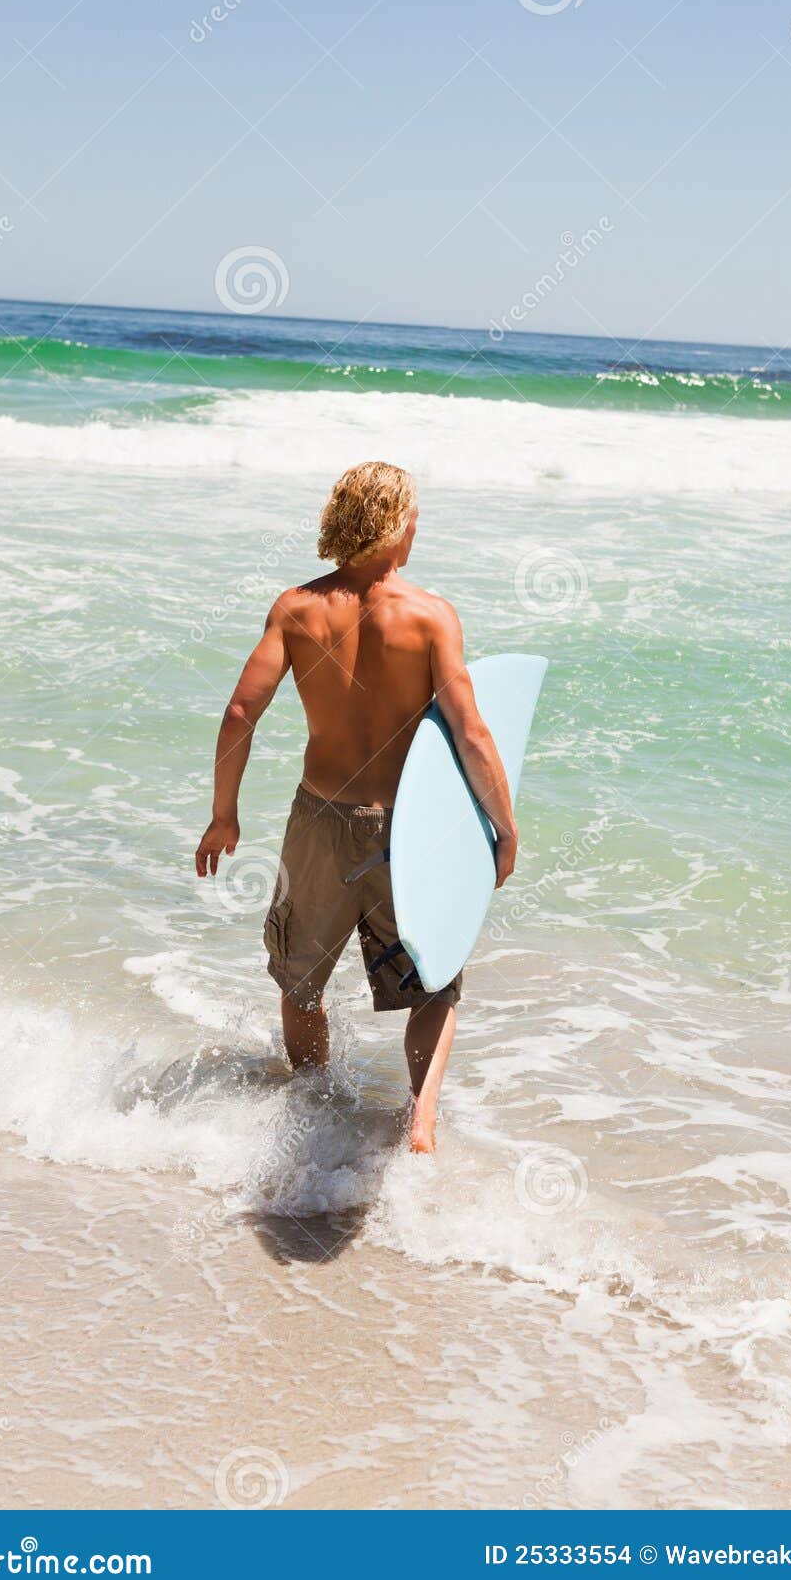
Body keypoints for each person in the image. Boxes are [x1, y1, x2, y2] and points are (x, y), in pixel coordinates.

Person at [195, 460, 517, 1153]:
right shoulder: (430, 617)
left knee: (300, 982)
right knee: (433, 984)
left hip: (319, 819)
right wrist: (504, 827)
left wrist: (224, 815)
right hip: (409, 830)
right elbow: (471, 732)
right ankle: (420, 1121)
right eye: (415, 518)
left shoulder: (297, 608)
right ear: (396, 524)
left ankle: (312, 1105)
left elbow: (241, 711)